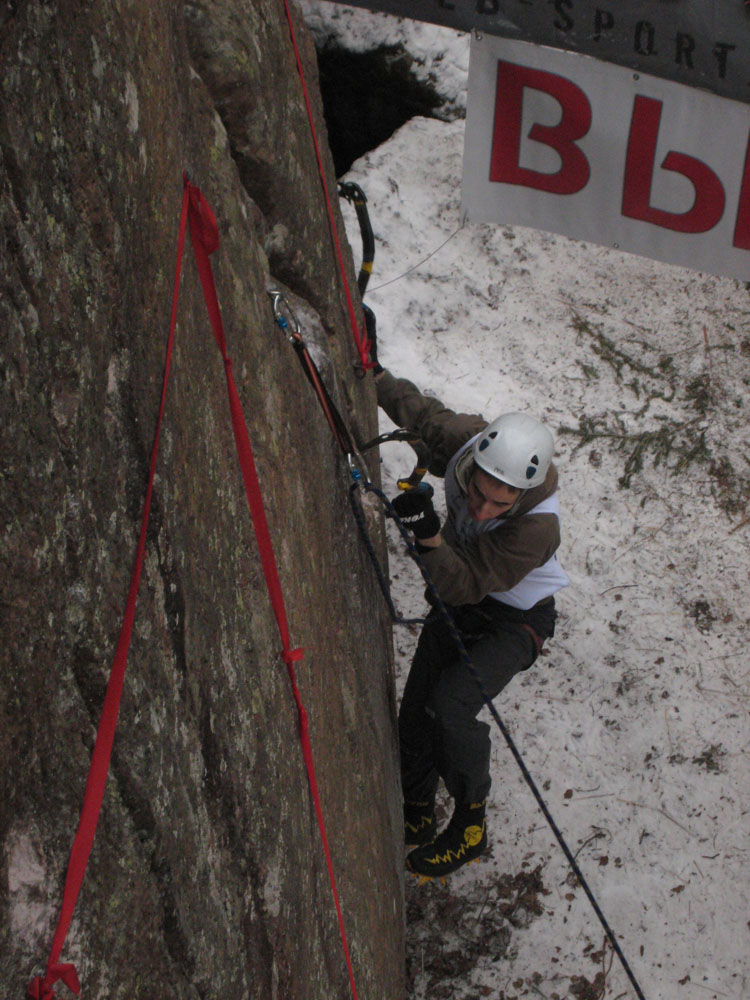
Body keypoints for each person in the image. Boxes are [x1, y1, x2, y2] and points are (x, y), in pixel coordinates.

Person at [370, 340, 569, 879]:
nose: (481, 508)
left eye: (496, 504)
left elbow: (467, 584)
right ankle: (415, 813)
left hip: (515, 619)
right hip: (460, 598)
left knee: (451, 707)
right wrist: (374, 369)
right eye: (476, 493)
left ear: (522, 495)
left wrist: (431, 539)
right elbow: (422, 415)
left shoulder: (536, 529)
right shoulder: (465, 442)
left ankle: (470, 823)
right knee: (416, 713)